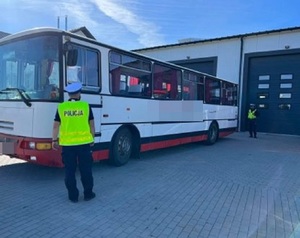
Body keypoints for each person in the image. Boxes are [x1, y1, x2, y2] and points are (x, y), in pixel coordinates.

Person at [52, 82, 96, 203]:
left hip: (67, 145)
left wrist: (54, 140)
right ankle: (88, 194)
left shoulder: (62, 107)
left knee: (69, 171)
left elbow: (56, 126)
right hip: (84, 144)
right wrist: (92, 138)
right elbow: (91, 124)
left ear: (69, 94)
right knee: (86, 170)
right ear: (79, 93)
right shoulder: (86, 106)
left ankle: (73, 196)